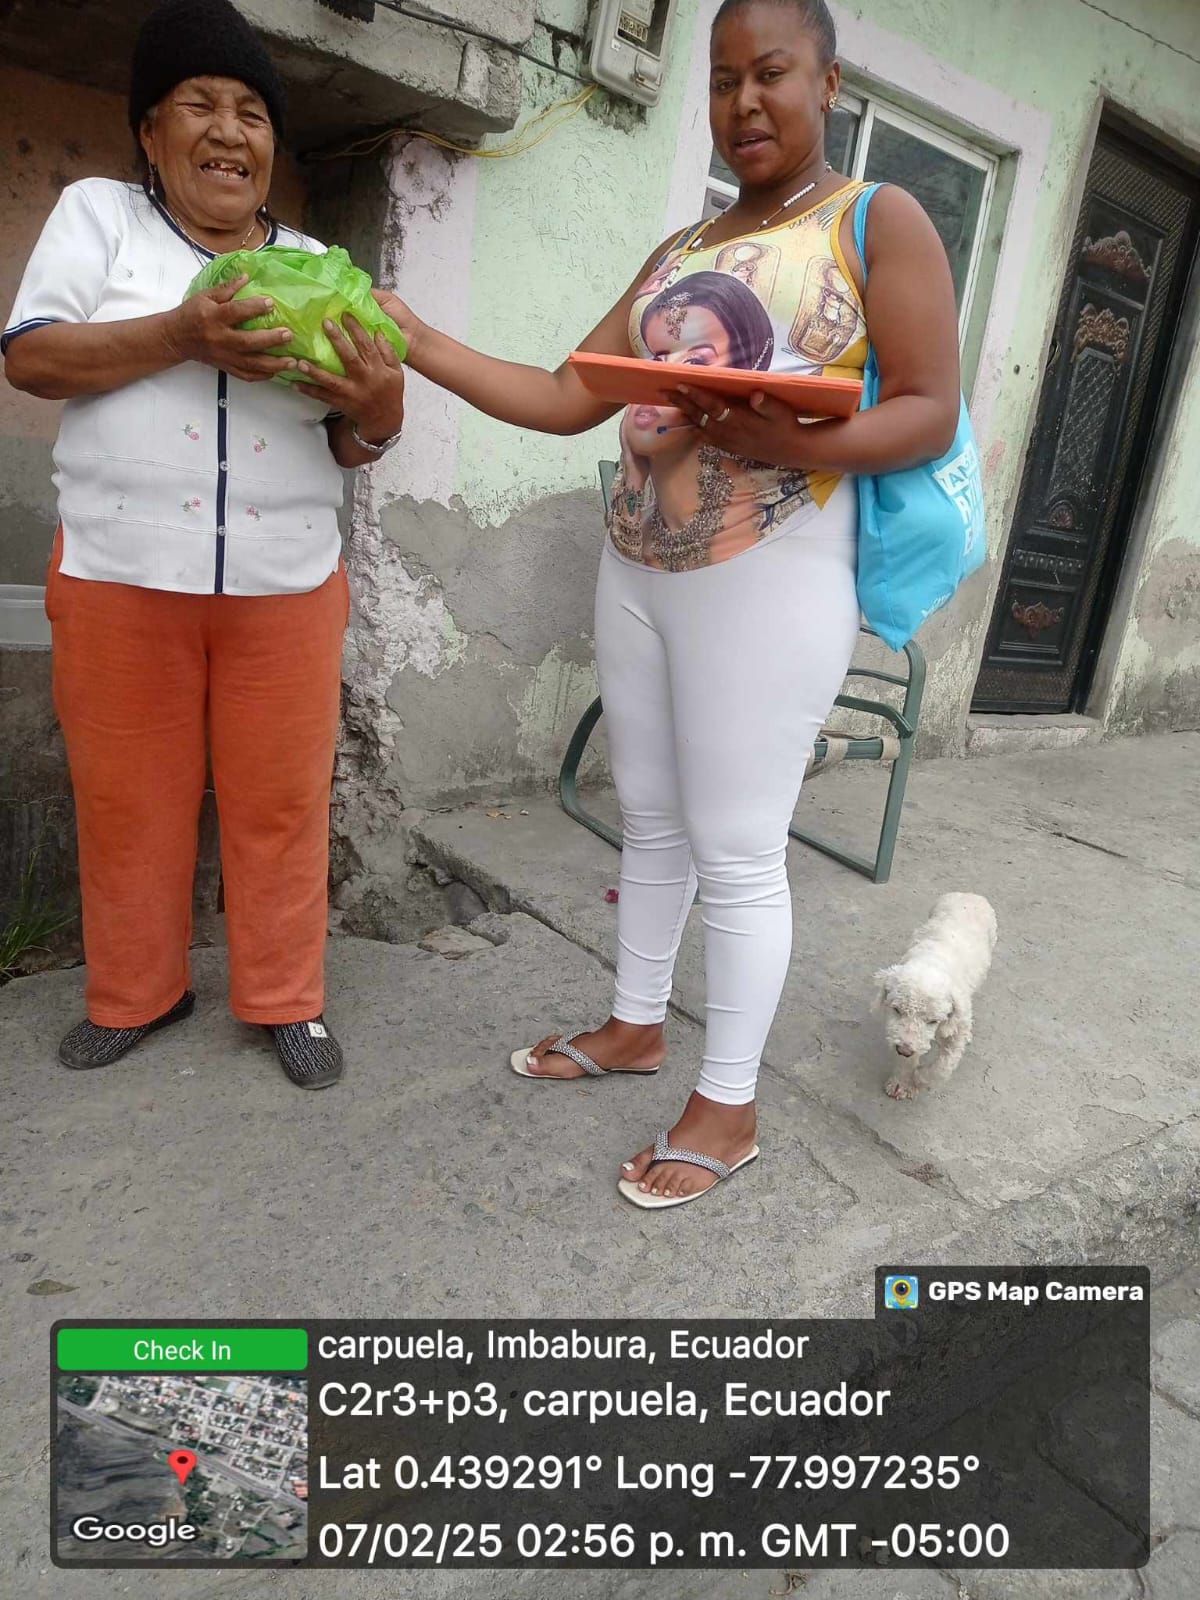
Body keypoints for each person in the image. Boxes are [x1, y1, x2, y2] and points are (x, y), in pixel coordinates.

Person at [376, 0, 961, 1204]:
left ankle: (729, 1105)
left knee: (737, 847)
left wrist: (781, 437)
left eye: (773, 73)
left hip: (771, 571)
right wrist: (415, 336)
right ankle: (636, 1023)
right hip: (638, 564)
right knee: (647, 815)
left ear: (829, 82)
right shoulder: (679, 249)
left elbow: (930, 407)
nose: (745, 101)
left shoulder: (875, 219)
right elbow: (565, 394)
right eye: (724, 78)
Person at [2, 0, 407, 1089]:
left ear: (272, 145)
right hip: (118, 572)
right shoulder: (100, 220)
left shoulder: (316, 262)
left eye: (251, 113)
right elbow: (32, 358)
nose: (229, 132)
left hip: (286, 581)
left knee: (282, 802)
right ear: (150, 130)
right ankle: (138, 991)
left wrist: (380, 413)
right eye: (198, 105)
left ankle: (287, 998)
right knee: (127, 800)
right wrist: (183, 333)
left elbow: (351, 437)